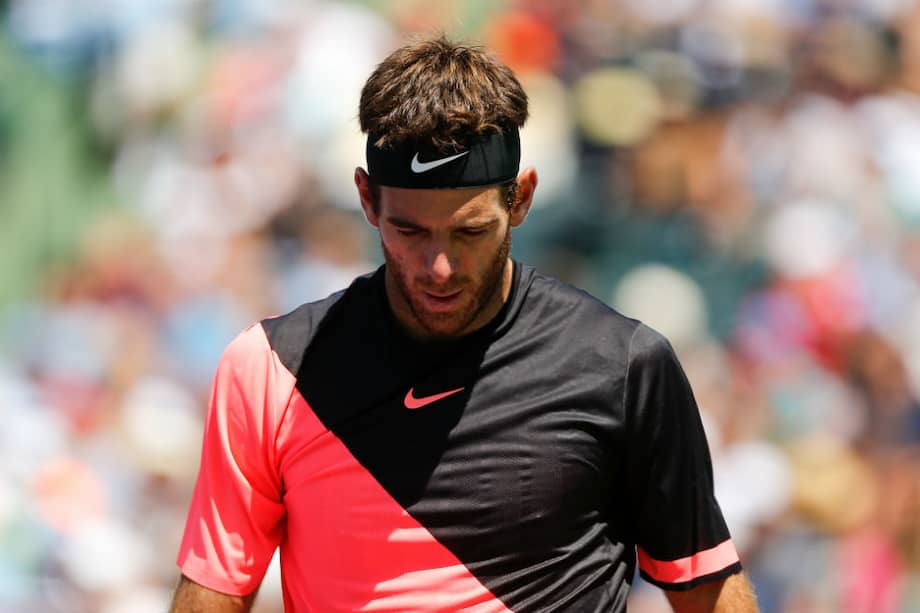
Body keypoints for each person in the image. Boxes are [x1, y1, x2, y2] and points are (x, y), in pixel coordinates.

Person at [169, 36, 760, 613]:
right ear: (367, 199)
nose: (440, 268)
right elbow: (214, 594)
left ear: (521, 199)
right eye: (410, 232)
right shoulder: (269, 369)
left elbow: (706, 590)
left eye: (471, 232)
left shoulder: (626, 366)